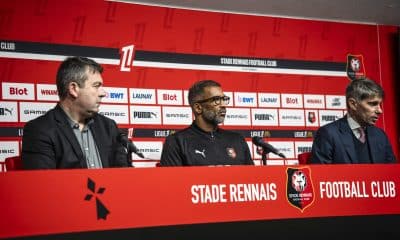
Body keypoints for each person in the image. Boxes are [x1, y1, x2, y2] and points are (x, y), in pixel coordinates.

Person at [22, 56, 130, 169]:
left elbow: (124, 175)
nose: (103, 93)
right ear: (73, 89)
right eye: (96, 86)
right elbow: (43, 184)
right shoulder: (40, 130)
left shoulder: (108, 126)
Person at [160, 80, 254, 166]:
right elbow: (172, 182)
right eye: (216, 100)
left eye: (224, 99)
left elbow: (252, 179)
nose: (223, 105)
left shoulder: (237, 140)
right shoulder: (176, 142)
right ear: (198, 108)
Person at [311, 78, 396, 164]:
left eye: (379, 104)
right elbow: (321, 176)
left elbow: (392, 173)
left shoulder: (380, 135)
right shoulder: (328, 134)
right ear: (353, 104)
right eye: (373, 104)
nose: (380, 110)